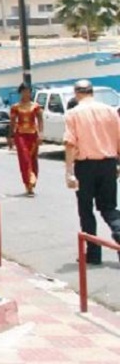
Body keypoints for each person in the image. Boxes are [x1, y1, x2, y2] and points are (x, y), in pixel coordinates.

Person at [64, 79, 120, 265]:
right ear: (92, 92)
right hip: (108, 163)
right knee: (109, 208)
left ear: (76, 93)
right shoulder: (110, 111)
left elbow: (70, 143)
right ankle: (119, 233)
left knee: (86, 209)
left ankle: (93, 254)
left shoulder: (73, 114)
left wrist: (69, 172)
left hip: (85, 166)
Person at [9, 83, 43, 196]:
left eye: (28, 91)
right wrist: (10, 137)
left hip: (33, 135)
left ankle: (32, 182)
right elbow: (12, 122)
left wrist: (41, 134)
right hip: (20, 135)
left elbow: (40, 120)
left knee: (33, 159)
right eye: (24, 91)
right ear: (20, 92)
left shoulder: (36, 106)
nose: (26, 94)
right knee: (24, 159)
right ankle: (28, 183)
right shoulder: (15, 107)